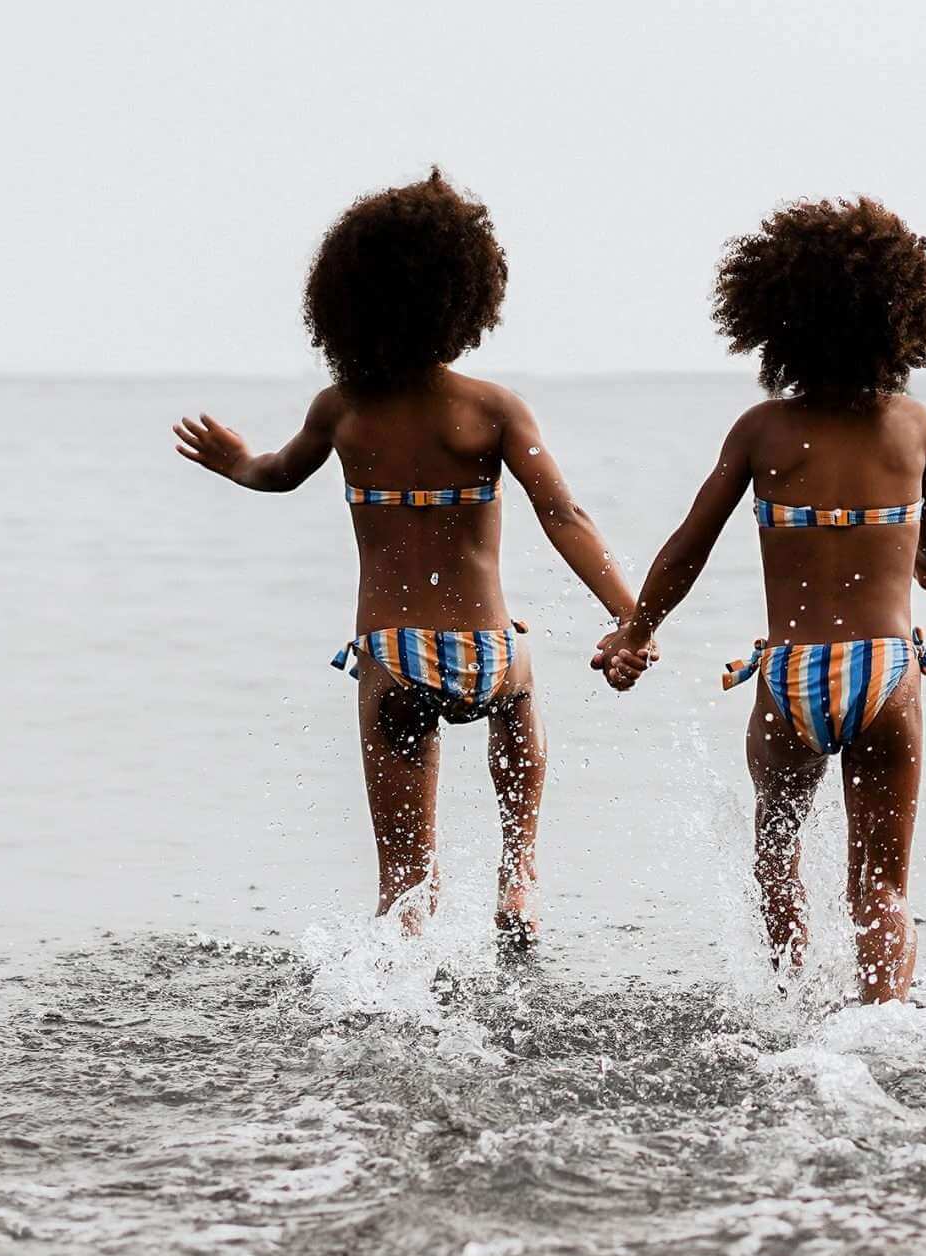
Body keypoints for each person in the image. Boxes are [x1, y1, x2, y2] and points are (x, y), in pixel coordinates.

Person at [175, 170, 644, 953]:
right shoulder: (493, 408)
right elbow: (564, 516)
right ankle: (519, 868)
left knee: (403, 883)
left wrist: (233, 462)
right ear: (467, 297)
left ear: (346, 305)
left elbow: (277, 473)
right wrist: (629, 614)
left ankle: (400, 978)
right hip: (486, 652)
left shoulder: (343, 407)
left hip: (393, 659)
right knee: (520, 680)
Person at [594, 197, 926, 1002]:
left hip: (790, 674)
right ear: (902, 319)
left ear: (776, 322)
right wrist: (919, 562)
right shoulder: (913, 427)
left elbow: (688, 547)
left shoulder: (762, 430)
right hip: (886, 671)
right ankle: (883, 1021)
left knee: (777, 858)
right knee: (884, 887)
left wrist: (634, 630)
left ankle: (792, 1012)